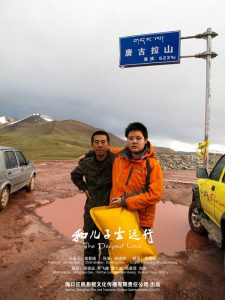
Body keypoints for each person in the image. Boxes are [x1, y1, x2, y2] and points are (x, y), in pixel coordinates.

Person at [109, 122, 163, 300]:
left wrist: (125, 201)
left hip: (141, 221)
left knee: (135, 260)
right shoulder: (121, 156)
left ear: (146, 140)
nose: (134, 142)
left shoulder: (152, 164)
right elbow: (107, 150)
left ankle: (129, 294)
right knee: (119, 253)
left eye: (138, 138)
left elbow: (155, 195)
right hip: (119, 218)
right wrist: (88, 153)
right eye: (130, 138)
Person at [71, 130, 115, 300]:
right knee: (90, 245)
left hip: (110, 213)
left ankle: (102, 290)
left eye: (103, 142)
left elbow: (127, 151)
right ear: (92, 144)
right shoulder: (86, 163)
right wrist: (83, 188)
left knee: (107, 251)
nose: (100, 145)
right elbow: (74, 175)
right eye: (96, 142)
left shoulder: (116, 161)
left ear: (108, 144)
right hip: (90, 211)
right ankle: (88, 276)